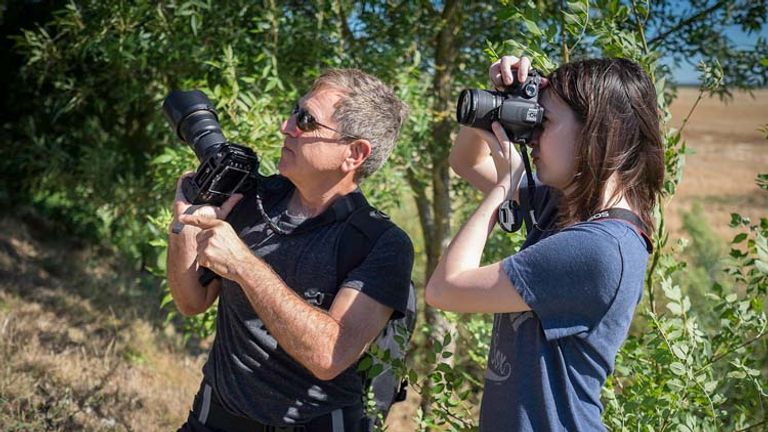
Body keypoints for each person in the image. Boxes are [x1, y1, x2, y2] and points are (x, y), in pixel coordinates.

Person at [425, 55, 664, 431]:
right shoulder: (567, 206)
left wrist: (506, 184)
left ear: (602, 131)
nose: (532, 135)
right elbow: (466, 162)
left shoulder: (599, 249)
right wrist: (499, 99)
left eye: (544, 121)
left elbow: (445, 288)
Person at [168, 69, 414, 432]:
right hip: (215, 418)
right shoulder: (254, 198)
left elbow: (330, 356)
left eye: (306, 120)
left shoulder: (381, 243)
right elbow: (191, 301)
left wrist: (243, 265)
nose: (287, 127)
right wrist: (183, 227)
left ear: (354, 153)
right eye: (293, 112)